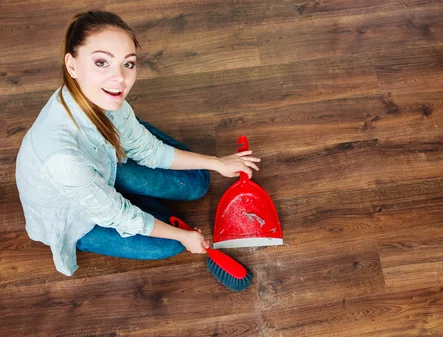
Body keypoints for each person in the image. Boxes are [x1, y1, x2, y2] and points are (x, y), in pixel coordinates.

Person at [15, 10, 260, 276]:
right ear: (71, 65)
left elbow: (149, 150)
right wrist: (182, 237)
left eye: (128, 64)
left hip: (103, 164)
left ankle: (125, 163)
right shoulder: (62, 157)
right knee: (170, 246)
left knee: (198, 182)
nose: (119, 79)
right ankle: (130, 197)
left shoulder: (106, 98)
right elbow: (119, 216)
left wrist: (217, 163)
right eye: (101, 63)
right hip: (75, 214)